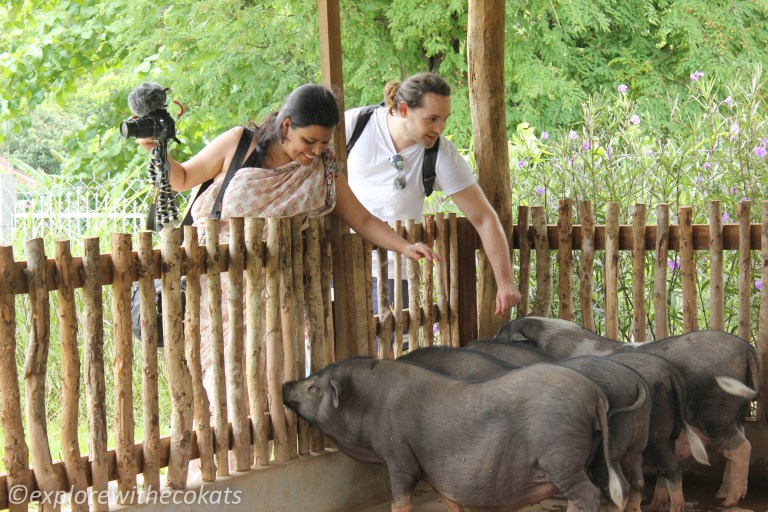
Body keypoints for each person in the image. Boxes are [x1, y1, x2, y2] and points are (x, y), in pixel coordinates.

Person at [136, 83, 440, 387]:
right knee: (218, 388)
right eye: (309, 140)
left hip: (272, 302)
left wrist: (405, 246)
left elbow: (361, 218)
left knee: (265, 391)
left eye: (324, 143)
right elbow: (184, 178)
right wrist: (156, 148)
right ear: (286, 126)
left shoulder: (322, 168)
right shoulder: (240, 143)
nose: (316, 151)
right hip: (212, 295)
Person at [345, 72, 521, 317]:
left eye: (445, 119)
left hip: (394, 278)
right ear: (403, 109)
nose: (440, 128)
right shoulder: (354, 125)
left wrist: (505, 282)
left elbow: (484, 217)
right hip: (339, 268)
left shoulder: (439, 154)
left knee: (389, 354)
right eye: (432, 119)